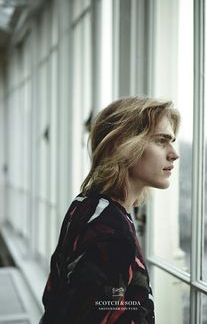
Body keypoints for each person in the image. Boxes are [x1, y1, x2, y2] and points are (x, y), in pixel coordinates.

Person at [39, 96, 180, 324]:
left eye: (171, 141)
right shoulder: (111, 235)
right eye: (161, 141)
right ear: (122, 145)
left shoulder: (87, 204)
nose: (174, 153)